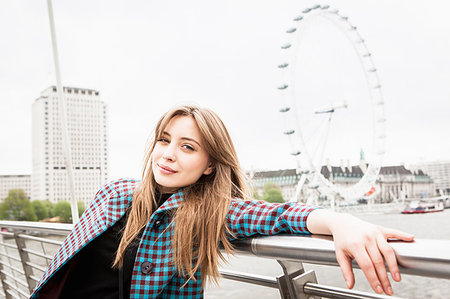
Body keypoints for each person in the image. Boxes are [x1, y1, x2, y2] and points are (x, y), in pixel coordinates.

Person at [31, 105, 414, 298]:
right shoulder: (114, 193)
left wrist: (340, 223)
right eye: (164, 140)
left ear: (210, 165)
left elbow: (276, 215)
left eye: (187, 147)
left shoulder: (207, 213)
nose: (167, 154)